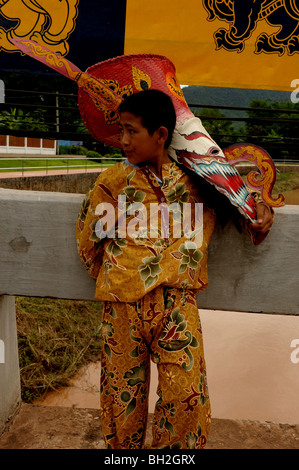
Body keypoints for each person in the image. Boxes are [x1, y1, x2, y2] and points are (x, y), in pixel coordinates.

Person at [76, 89, 274, 449]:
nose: (122, 140)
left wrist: (260, 208)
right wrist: (123, 276)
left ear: (161, 134)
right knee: (121, 403)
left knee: (186, 399)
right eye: (120, 130)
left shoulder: (201, 184)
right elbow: (88, 242)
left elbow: (245, 207)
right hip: (122, 308)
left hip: (177, 307)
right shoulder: (111, 183)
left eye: (131, 131)